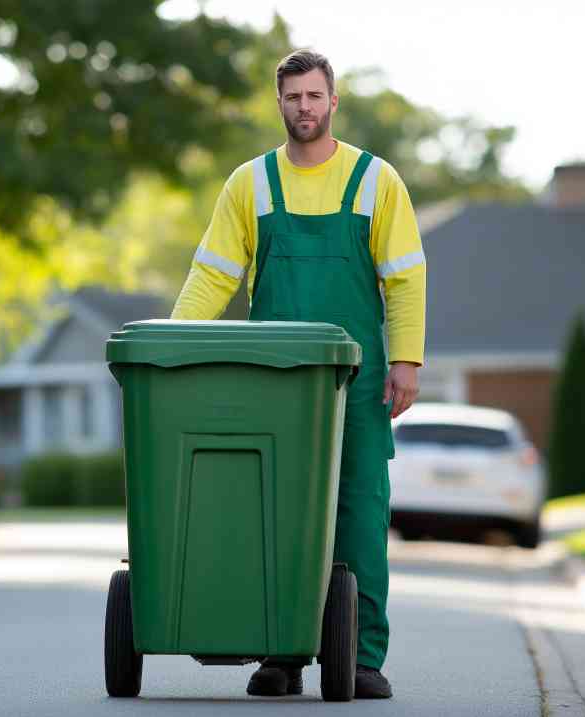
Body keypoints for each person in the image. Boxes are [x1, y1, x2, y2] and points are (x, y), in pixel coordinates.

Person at [169, 48, 427, 699]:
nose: (304, 108)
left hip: (359, 381)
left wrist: (406, 359)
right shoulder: (249, 184)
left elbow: (404, 276)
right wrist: (172, 346)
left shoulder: (375, 179)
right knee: (275, 514)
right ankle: (281, 655)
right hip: (275, 385)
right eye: (293, 97)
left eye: (314, 96)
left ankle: (363, 658)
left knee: (361, 515)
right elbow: (213, 276)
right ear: (279, 102)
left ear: (332, 102)